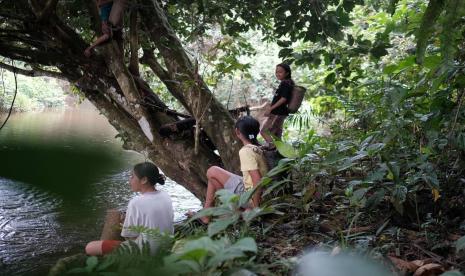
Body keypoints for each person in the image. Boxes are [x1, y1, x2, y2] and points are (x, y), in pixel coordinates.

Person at [85, 162, 174, 255]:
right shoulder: (165, 195)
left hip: (146, 252)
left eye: (132, 177)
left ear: (144, 180)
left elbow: (130, 237)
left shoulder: (136, 202)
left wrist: (124, 224)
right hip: (166, 246)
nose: (129, 181)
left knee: (90, 247)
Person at [194, 116, 269, 224]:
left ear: (237, 132)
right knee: (213, 178)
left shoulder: (245, 152)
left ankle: (231, 212)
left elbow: (257, 180)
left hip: (251, 195)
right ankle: (225, 212)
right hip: (259, 192)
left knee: (212, 171)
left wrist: (255, 208)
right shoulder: (258, 148)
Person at [260, 63, 295, 147]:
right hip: (281, 112)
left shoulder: (285, 83)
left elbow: (284, 99)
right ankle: (279, 153)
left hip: (278, 112)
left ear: (287, 73)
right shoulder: (286, 83)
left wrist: (271, 108)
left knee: (264, 131)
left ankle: (273, 148)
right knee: (276, 135)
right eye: (276, 72)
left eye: (280, 72)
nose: (277, 74)